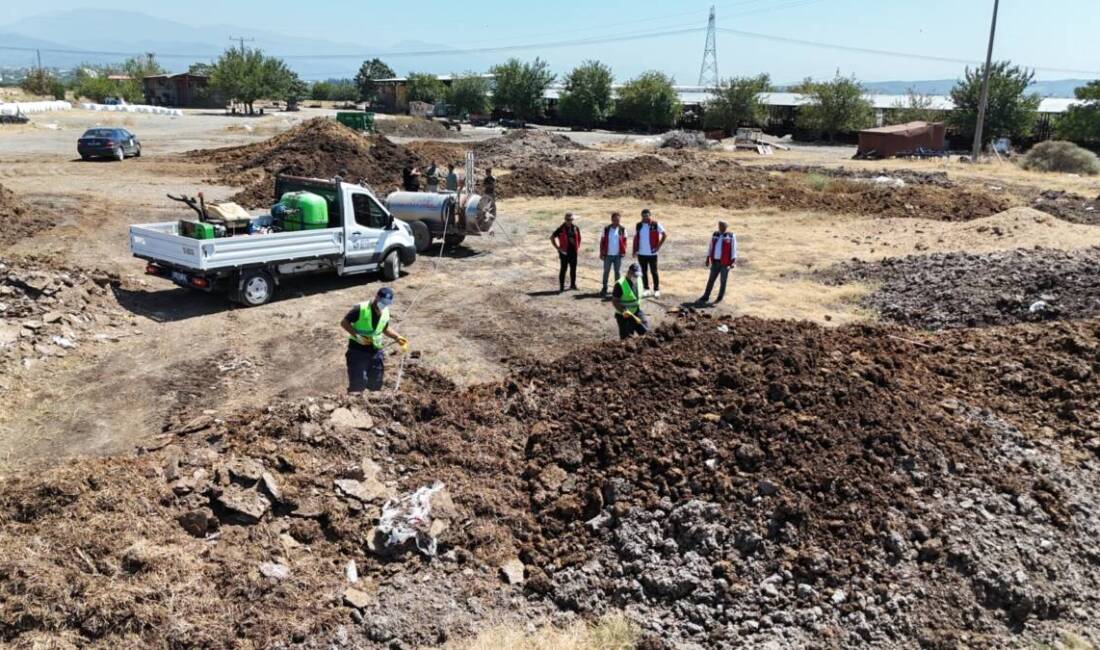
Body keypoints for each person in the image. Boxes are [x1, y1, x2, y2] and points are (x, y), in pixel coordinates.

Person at [339, 287, 407, 393]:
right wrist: (357, 335)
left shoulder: (385, 311)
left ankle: (371, 403)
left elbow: (385, 328)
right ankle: (355, 405)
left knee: (376, 382)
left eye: (387, 303)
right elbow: (344, 322)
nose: (384, 305)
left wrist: (397, 337)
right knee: (358, 383)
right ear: (377, 297)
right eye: (383, 302)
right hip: (357, 351)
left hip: (375, 351)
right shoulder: (361, 309)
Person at [698, 220, 738, 305]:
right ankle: (705, 296)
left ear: (726, 227)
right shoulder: (715, 234)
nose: (720, 227)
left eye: (722, 226)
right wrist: (707, 258)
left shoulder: (730, 236)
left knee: (723, 281)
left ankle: (719, 298)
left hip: (725, 262)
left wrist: (733, 262)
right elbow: (710, 246)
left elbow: (734, 249)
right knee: (711, 280)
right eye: (719, 226)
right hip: (715, 262)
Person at [632, 208, 667, 297]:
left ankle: (656, 289)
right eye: (643, 216)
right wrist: (635, 250)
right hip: (641, 253)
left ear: (650, 216)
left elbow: (664, 235)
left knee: (654, 272)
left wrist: (658, 246)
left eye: (647, 216)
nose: (645, 218)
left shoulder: (655, 224)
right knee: (644, 271)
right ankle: (646, 289)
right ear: (641, 216)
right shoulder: (638, 225)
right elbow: (636, 238)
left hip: (652, 253)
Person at [612, 263, 648, 339]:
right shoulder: (620, 284)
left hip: (636, 311)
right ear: (629, 272)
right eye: (634, 275)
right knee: (627, 339)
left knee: (646, 332)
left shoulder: (638, 280)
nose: (636, 277)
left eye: (637, 275)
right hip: (623, 315)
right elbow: (615, 301)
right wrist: (623, 311)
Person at [551, 212, 582, 292]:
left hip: (573, 253)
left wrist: (577, 247)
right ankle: (561, 286)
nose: (569, 221)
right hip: (564, 253)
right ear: (565, 220)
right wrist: (558, 248)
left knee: (573, 269)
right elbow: (552, 237)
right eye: (568, 220)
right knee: (563, 269)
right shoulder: (561, 228)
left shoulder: (575, 228)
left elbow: (579, 238)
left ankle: (573, 285)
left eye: (571, 219)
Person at [599, 211, 626, 298]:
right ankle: (604, 287)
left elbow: (625, 241)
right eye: (614, 220)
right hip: (608, 255)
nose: (616, 222)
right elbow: (602, 241)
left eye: (618, 220)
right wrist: (601, 252)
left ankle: (617, 289)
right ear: (611, 219)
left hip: (618, 255)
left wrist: (623, 251)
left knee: (617, 272)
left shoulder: (622, 229)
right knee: (606, 271)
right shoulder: (606, 229)